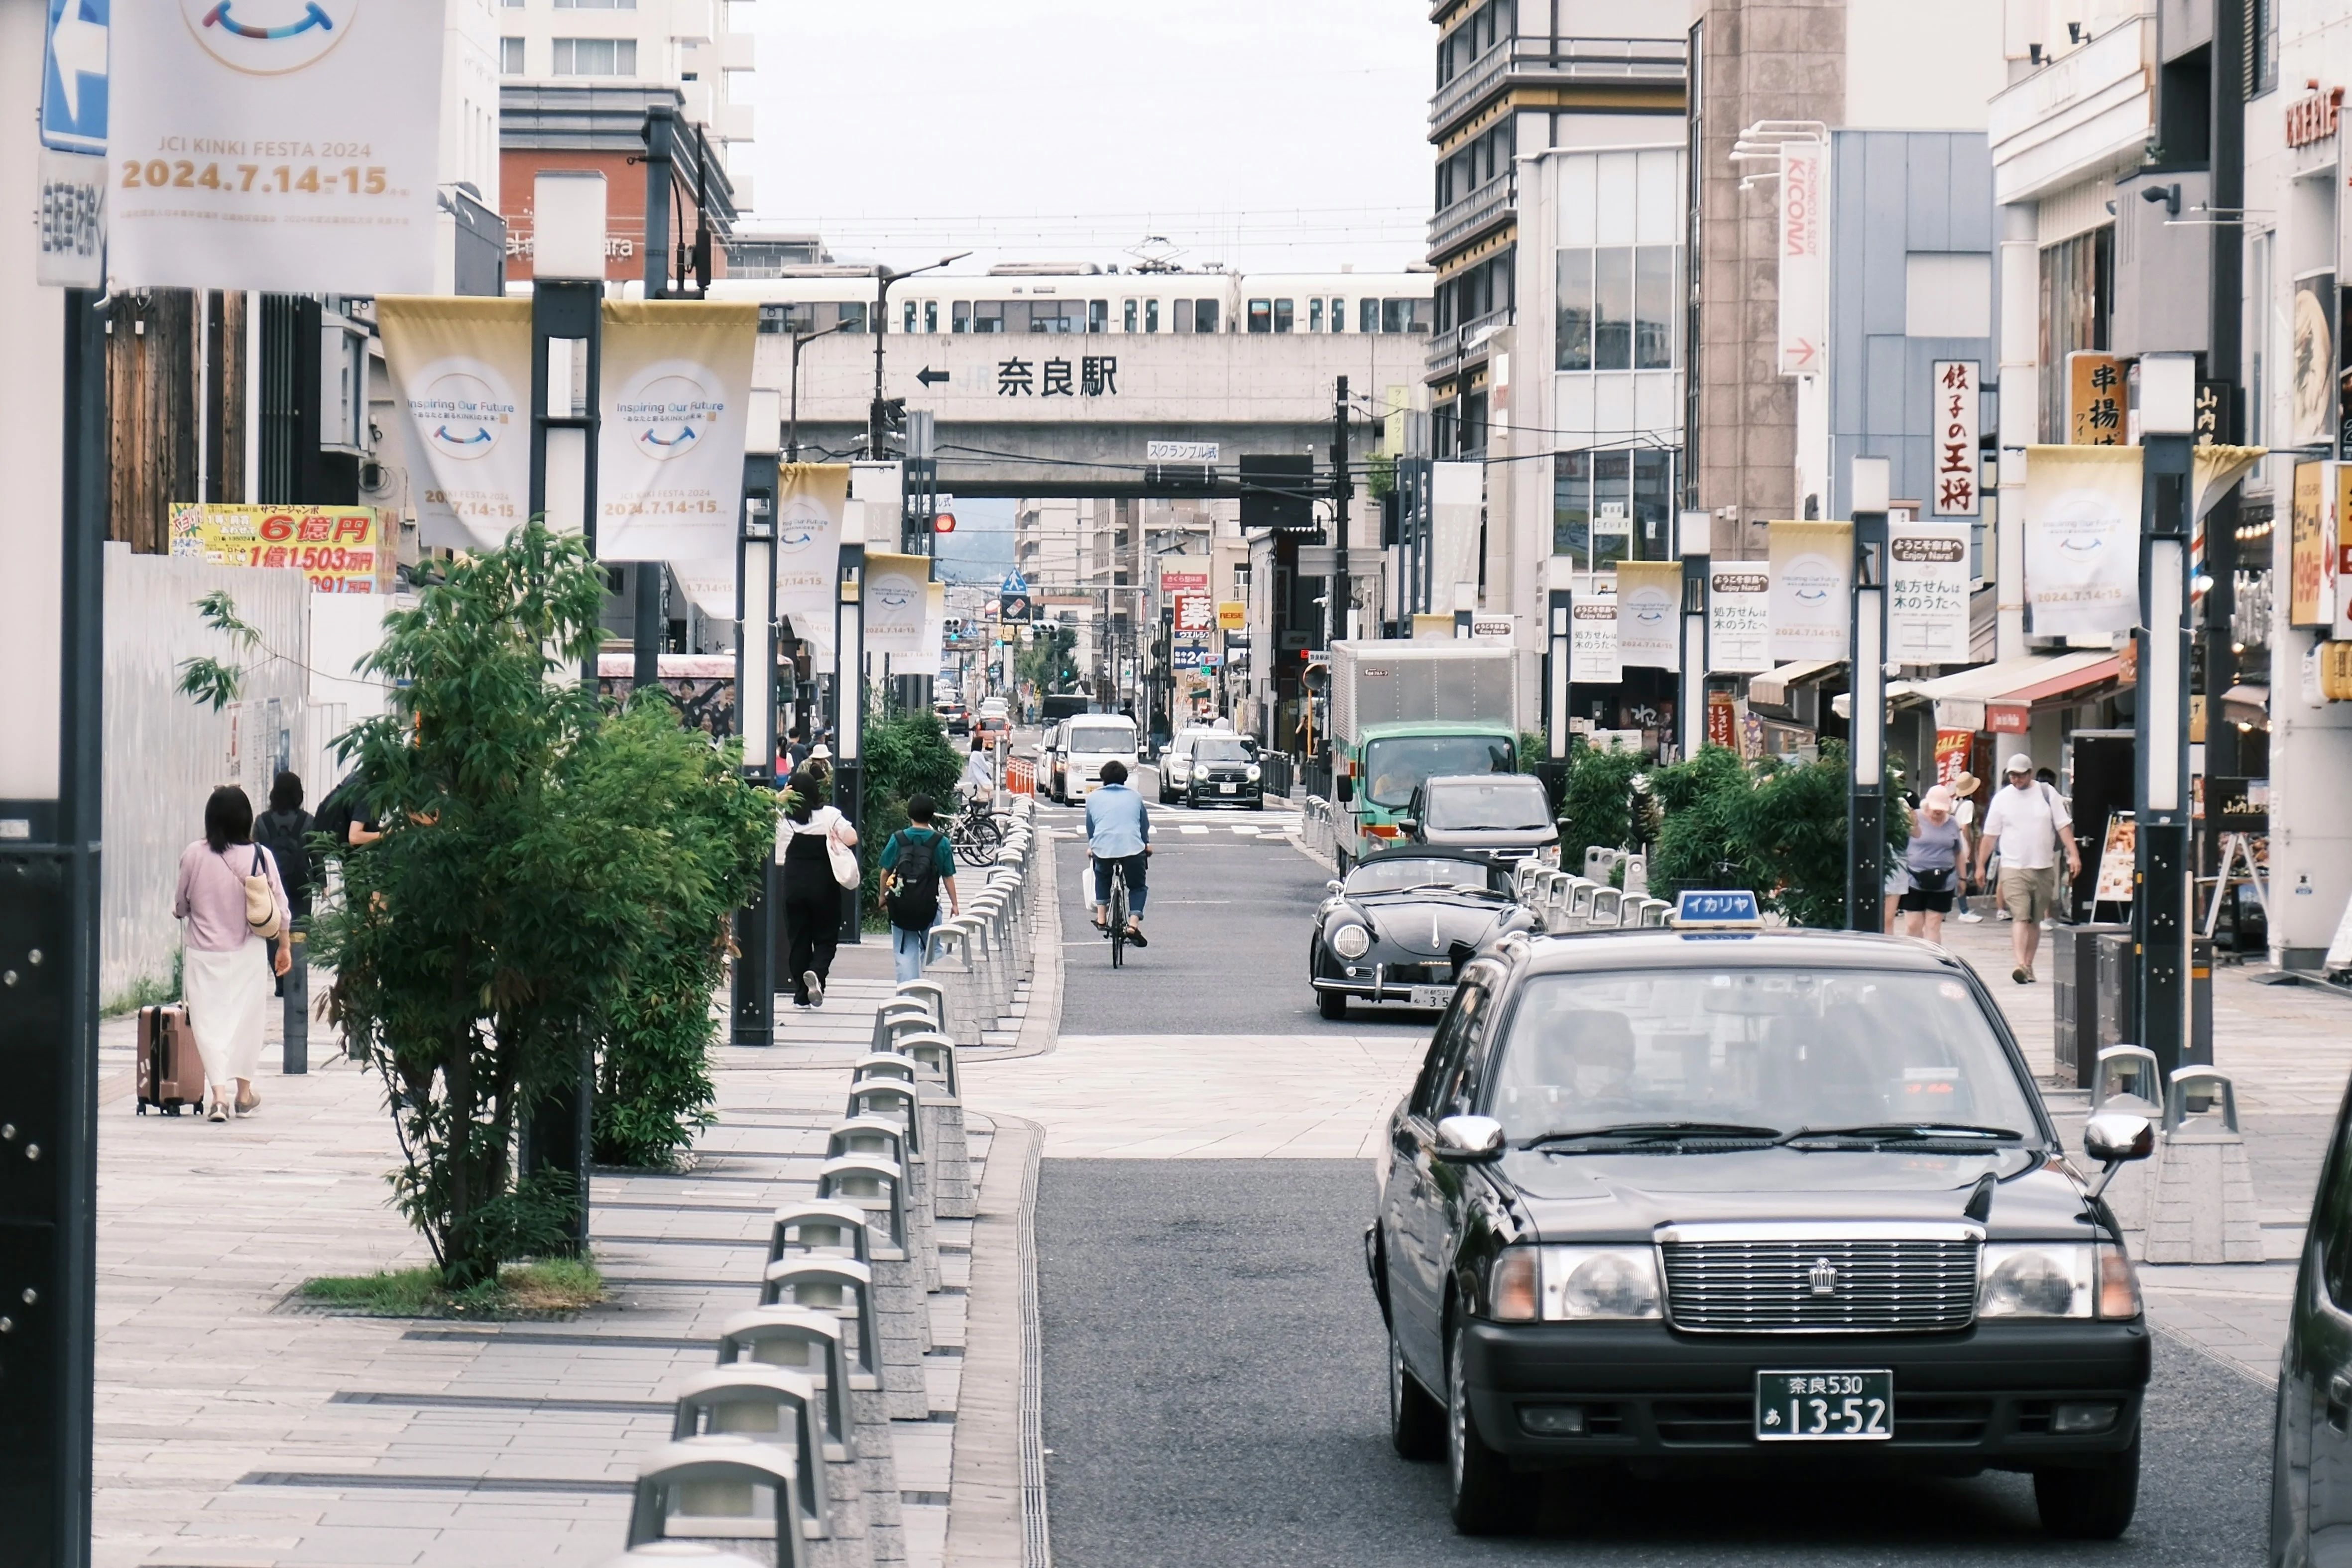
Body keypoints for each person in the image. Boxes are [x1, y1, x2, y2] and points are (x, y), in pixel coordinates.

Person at [172, 785, 292, 1122]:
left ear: (210, 819)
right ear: (247, 819)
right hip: (248, 953)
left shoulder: (194, 854)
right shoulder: (261, 855)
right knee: (246, 1022)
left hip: (203, 952)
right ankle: (244, 1092)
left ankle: (219, 1097)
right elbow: (281, 909)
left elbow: (181, 904)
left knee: (208, 1024)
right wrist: (284, 947)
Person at [1973, 753, 2081, 985]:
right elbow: (1990, 836)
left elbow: (2063, 827)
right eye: (2012, 775)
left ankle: (2029, 965)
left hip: (2043, 865)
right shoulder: (2002, 799)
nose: (2016, 779)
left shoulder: (2047, 793)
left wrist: (2074, 854)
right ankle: (2019, 963)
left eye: (2020, 775)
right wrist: (1980, 865)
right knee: (2021, 916)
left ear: (2030, 773)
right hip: (2013, 866)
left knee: (2035, 918)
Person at [777, 766, 856, 1007]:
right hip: (824, 887)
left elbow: (756, 815)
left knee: (799, 940)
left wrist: (780, 799)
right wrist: (835, 836)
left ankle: (802, 995)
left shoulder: (781, 815)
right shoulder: (829, 815)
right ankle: (817, 973)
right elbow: (852, 837)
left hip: (793, 887)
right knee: (826, 938)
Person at [880, 793, 960, 983]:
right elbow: (948, 876)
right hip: (929, 905)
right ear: (931, 815)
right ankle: (933, 991)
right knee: (934, 948)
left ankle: (908, 997)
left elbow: (885, 872)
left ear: (910, 814)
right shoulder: (941, 842)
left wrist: (883, 897)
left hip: (901, 905)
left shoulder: (898, 839)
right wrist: (955, 904)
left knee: (905, 952)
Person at [251, 771, 315, 998]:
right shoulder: (307, 820)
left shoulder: (262, 821)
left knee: (272, 931)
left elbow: (254, 854)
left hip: (270, 886)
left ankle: (280, 978)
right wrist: (322, 881)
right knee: (298, 932)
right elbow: (316, 854)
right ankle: (295, 977)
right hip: (301, 886)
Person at [1084, 758, 1151, 946]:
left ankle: (1102, 918)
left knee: (1102, 875)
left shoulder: (1093, 798)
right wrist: (1146, 844)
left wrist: (1092, 845)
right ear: (1125, 779)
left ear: (1102, 779)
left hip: (1103, 848)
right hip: (1132, 848)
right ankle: (1133, 925)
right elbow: (1143, 825)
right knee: (1137, 886)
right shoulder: (1135, 797)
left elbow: (1092, 827)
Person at [1900, 785, 1964, 946]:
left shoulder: (1953, 823)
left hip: (1944, 879)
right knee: (1913, 924)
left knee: (1934, 923)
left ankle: (1932, 960)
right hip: (1914, 877)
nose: (1938, 812)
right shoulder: (1914, 817)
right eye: (1936, 808)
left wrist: (1962, 878)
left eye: (1942, 809)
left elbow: (1958, 852)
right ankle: (1913, 958)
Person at [1950, 772, 1984, 922]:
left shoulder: (1954, 803)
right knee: (1962, 878)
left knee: (1953, 876)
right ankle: (1964, 910)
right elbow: (1966, 827)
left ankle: (1945, 910)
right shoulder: (1969, 805)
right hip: (1963, 844)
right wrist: (1970, 848)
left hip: (1952, 842)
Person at [959, 733, 996, 805]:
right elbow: (986, 768)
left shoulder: (975, 754)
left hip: (978, 782)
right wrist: (989, 764)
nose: (985, 743)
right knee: (983, 803)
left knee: (981, 801)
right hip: (981, 783)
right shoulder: (978, 755)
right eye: (984, 742)